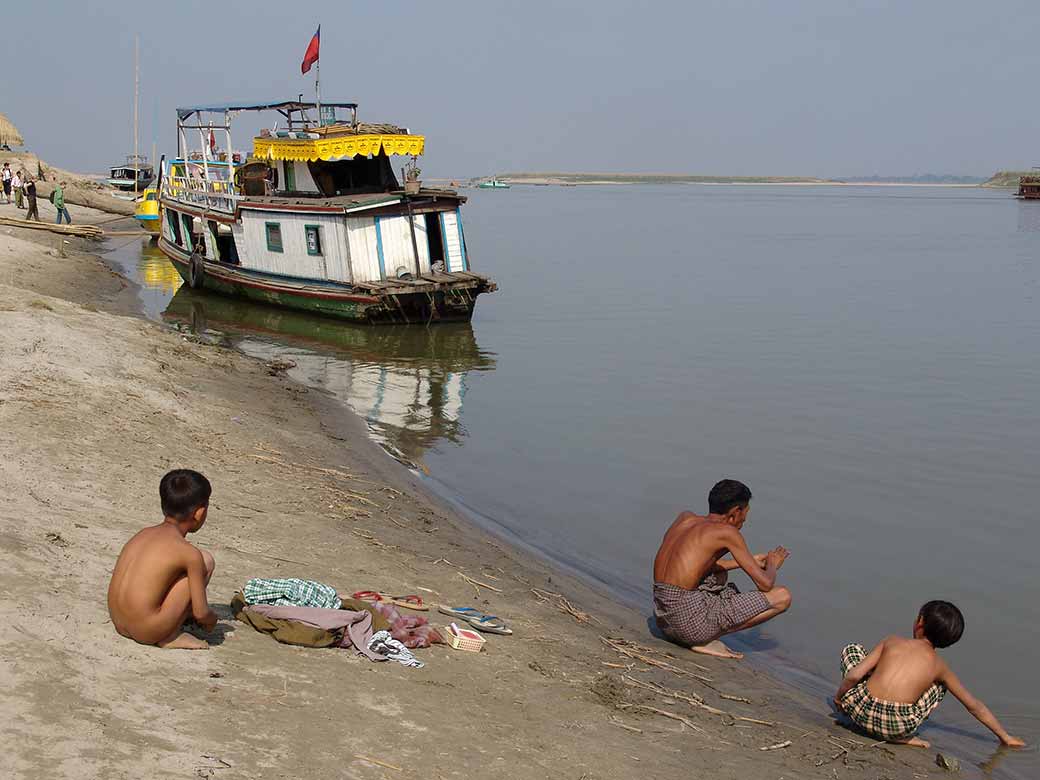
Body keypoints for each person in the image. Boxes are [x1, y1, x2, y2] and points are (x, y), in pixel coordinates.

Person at [835, 601, 1025, 749]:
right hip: (895, 726)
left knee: (853, 650)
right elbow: (974, 706)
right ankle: (902, 738)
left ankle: (872, 707)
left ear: (920, 622)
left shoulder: (891, 641)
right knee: (939, 685)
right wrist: (1005, 737)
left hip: (858, 711)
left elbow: (853, 676)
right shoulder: (940, 666)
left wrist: (839, 699)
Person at [652, 479, 792, 659]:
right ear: (735, 512)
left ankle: (697, 633)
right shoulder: (727, 532)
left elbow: (696, 566)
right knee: (782, 597)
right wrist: (773, 563)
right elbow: (765, 584)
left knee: (719, 575)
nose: (745, 520)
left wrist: (751, 562)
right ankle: (702, 640)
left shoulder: (685, 519)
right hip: (686, 629)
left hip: (663, 620)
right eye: (745, 513)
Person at [107, 469, 218, 650]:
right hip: (147, 631)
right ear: (199, 513)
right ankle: (170, 635)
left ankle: (167, 622)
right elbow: (201, 613)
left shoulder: (143, 534)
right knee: (205, 561)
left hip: (118, 622)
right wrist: (212, 619)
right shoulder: (188, 553)